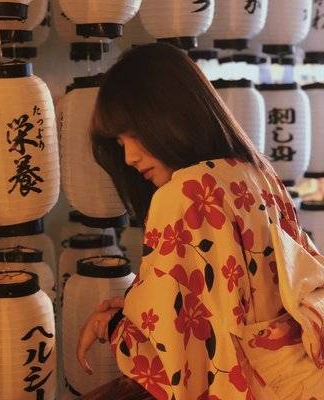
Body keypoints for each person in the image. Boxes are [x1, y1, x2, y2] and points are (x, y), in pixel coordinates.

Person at [76, 43, 324, 399]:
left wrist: (117, 327)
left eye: (134, 134)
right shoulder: (256, 173)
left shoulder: (185, 193)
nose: (129, 157)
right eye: (120, 142)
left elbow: (178, 354)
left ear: (170, 116)